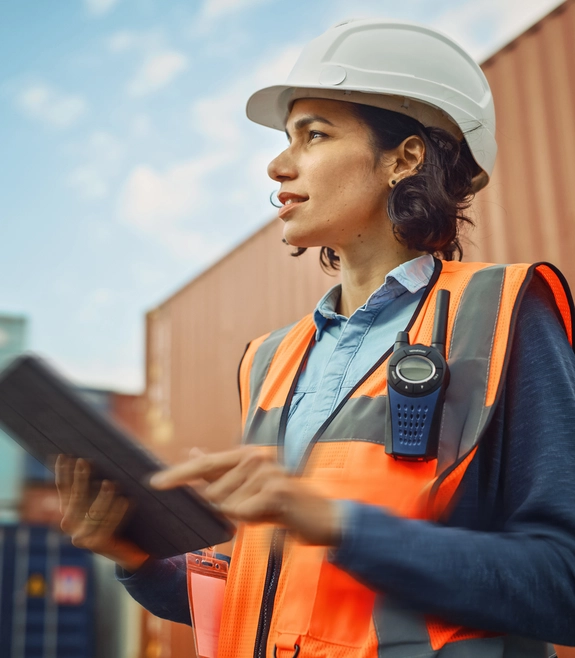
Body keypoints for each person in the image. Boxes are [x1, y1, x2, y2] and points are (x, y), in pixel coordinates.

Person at [56, 19, 575, 658]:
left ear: (405, 158)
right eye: (285, 140)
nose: (277, 165)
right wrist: (138, 559)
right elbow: (272, 598)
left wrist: (335, 521)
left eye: (315, 135)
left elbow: (561, 586)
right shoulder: (271, 358)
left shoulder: (504, 314)